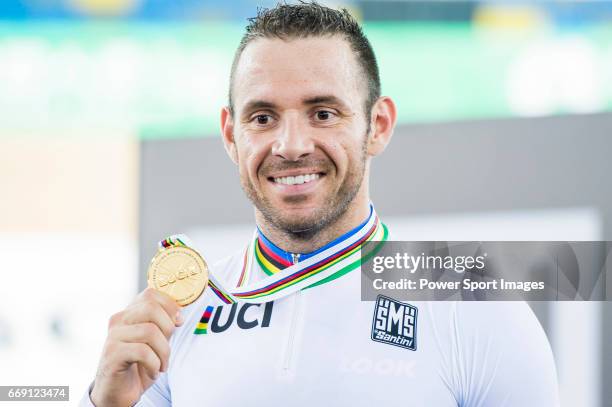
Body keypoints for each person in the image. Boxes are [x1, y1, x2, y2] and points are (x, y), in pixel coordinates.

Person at [82, 3, 560, 406]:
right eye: (263, 117)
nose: (290, 145)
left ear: (378, 124)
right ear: (231, 135)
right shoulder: (178, 315)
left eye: (323, 113)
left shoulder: (474, 306)